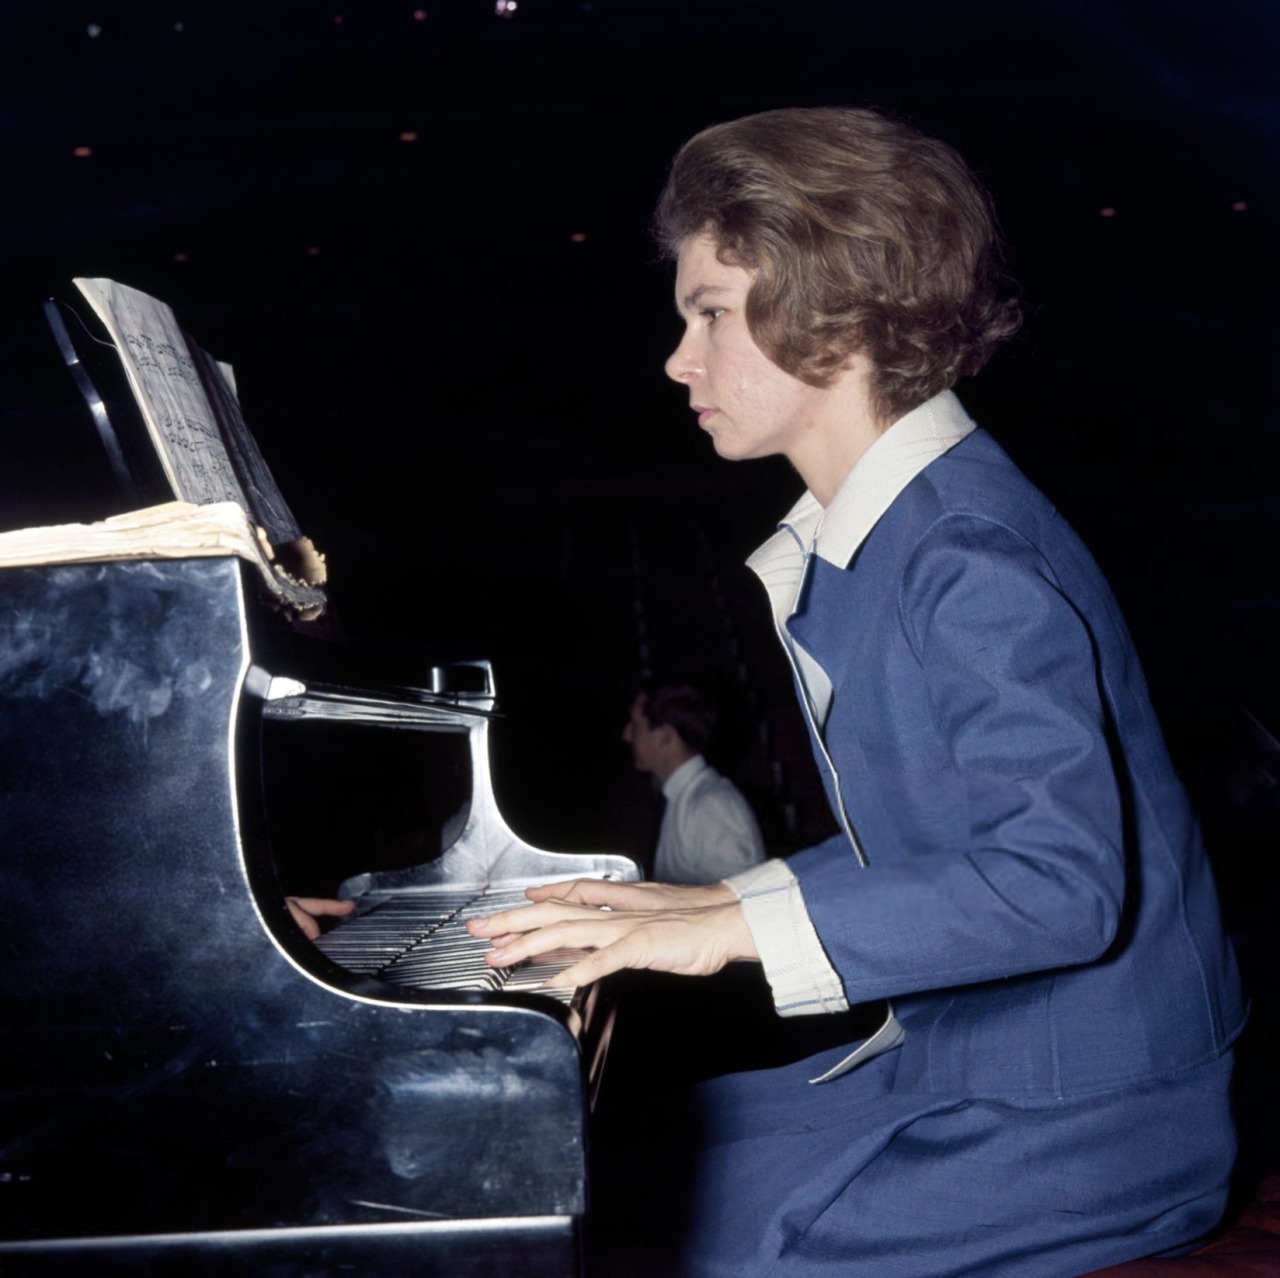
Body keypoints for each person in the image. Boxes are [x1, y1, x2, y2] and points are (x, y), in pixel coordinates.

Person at [467, 106, 1247, 1277]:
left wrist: (721, 931)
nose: (677, 358)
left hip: (1091, 1117)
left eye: (709, 313)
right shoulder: (890, 532)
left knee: (638, 1237)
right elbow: (934, 845)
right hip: (989, 1068)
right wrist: (695, 904)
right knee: (599, 1165)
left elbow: (1060, 887)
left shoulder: (965, 553)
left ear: (832, 314)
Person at [622, 679, 766, 884]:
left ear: (665, 737)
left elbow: (733, 900)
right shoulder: (683, 798)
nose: (627, 735)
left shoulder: (711, 806)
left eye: (636, 725)